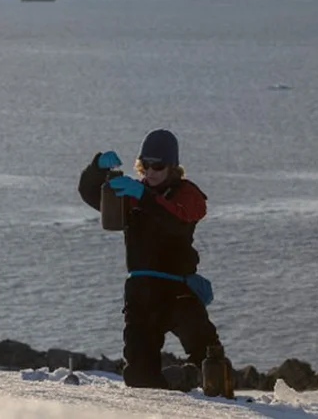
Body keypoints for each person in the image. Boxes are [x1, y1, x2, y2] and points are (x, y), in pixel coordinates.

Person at [78, 128, 225, 391]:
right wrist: (96, 168)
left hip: (179, 290)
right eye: (145, 165)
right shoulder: (132, 193)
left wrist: (143, 196)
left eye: (158, 166)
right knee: (139, 377)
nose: (151, 172)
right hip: (141, 292)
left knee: (211, 359)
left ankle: (203, 389)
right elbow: (92, 194)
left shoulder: (187, 194)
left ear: (173, 166)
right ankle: (173, 390)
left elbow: (177, 221)